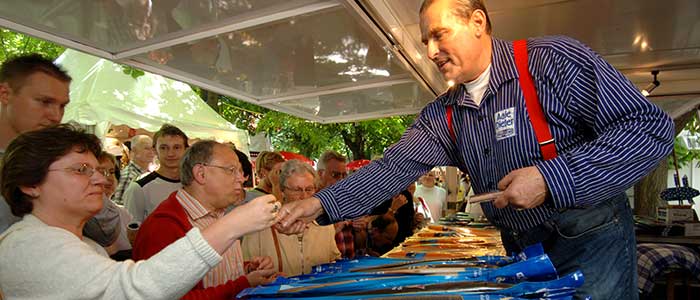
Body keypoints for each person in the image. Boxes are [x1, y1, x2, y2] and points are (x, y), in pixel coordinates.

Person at [277, 0, 675, 298]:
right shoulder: (445, 114)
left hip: (593, 242)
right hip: (523, 249)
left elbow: (650, 129)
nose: (430, 51)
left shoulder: (551, 61)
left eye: (439, 35)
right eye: (425, 41)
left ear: (478, 22)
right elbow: (391, 169)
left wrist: (550, 178)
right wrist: (316, 206)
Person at [0, 124, 280, 299]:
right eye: (80, 170)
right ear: (30, 183)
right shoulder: (30, 243)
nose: (100, 180)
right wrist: (233, 225)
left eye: (98, 170)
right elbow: (135, 288)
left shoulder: (83, 245)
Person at [0, 54, 120, 247]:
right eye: (44, 102)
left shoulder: (62, 156)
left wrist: (82, 172)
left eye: (62, 106)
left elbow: (107, 232)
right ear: (5, 94)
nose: (56, 116)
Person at [133, 140, 277, 299]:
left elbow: (215, 276)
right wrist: (244, 284)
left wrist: (248, 269)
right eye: (231, 170)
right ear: (201, 174)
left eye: (241, 171)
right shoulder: (162, 226)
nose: (241, 179)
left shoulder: (220, 214)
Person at [242, 160, 340, 276]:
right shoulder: (260, 226)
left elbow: (334, 259)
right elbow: (246, 268)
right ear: (283, 191)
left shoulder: (324, 224)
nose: (304, 196)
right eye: (297, 190)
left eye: (309, 189)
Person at [124, 124, 188, 223]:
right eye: (163, 148)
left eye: (176, 147)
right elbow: (131, 231)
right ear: (155, 150)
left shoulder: (194, 185)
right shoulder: (139, 188)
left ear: (186, 150)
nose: (170, 153)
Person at [317, 150, 355, 259]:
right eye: (335, 175)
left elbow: (359, 243)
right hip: (325, 270)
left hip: (348, 267)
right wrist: (334, 229)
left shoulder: (347, 200)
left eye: (344, 175)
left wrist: (359, 228)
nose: (341, 180)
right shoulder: (310, 204)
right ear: (320, 174)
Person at [113, 135, 155, 205]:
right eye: (147, 148)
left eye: (153, 148)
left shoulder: (146, 173)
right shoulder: (129, 175)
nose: (151, 152)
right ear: (134, 151)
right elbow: (119, 205)